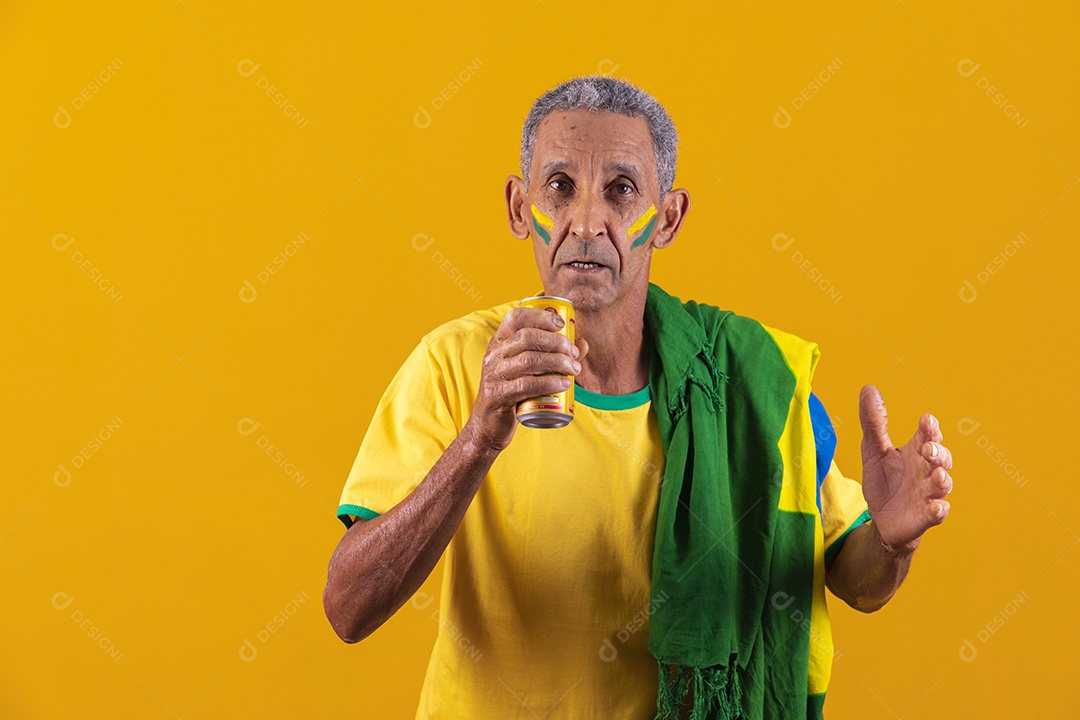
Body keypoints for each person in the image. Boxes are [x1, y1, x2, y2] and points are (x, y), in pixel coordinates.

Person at [322, 76, 954, 720]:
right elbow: (349, 608)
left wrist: (893, 540)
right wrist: (478, 439)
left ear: (669, 217)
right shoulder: (453, 364)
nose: (588, 221)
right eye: (560, 187)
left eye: (621, 191)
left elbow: (857, 580)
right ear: (519, 208)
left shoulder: (746, 385)